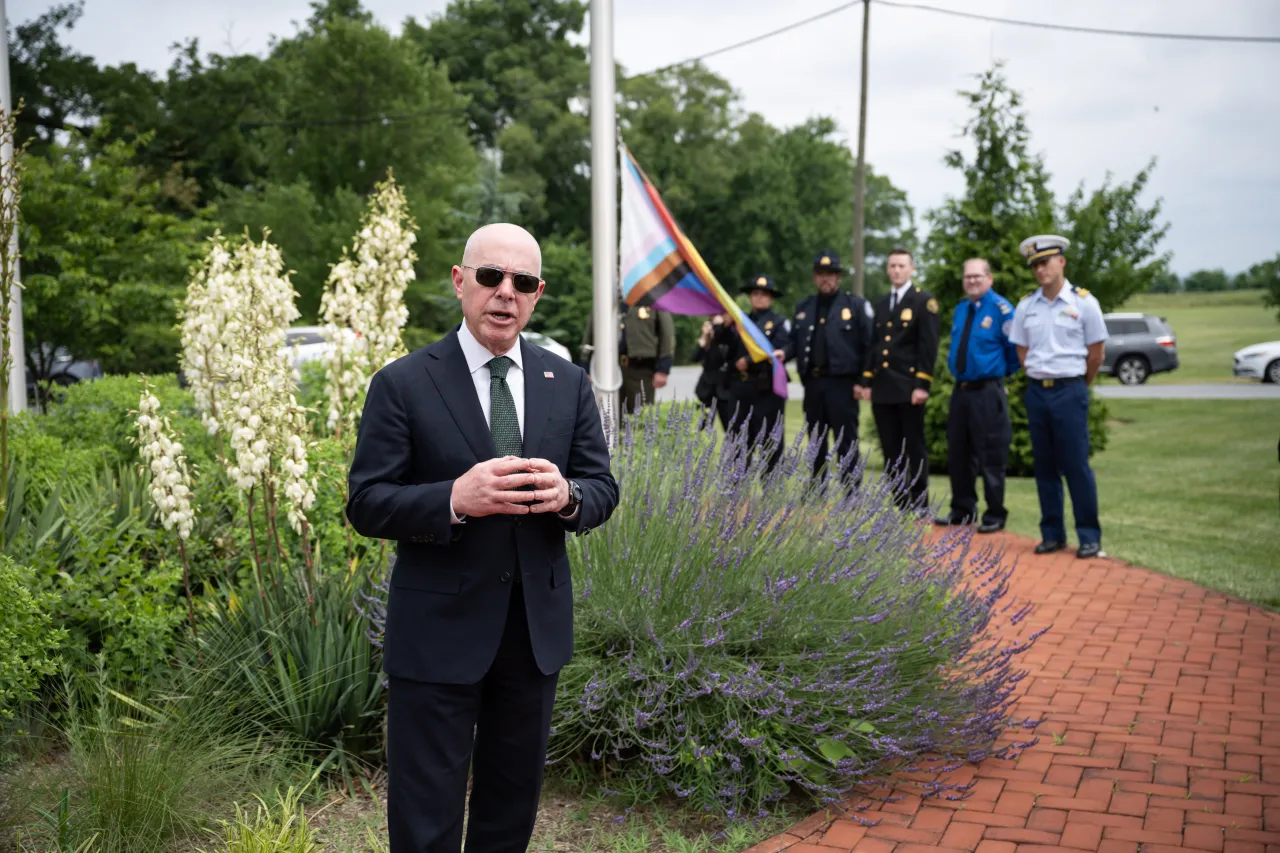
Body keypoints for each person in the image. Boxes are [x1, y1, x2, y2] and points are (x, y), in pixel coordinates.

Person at [346, 223, 620, 853]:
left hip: (531, 635)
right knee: (424, 817)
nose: (505, 293)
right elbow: (366, 503)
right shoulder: (404, 383)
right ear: (460, 281)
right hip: (438, 635)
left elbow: (602, 486)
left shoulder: (566, 381)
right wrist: (451, 499)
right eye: (491, 276)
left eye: (522, 282)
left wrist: (569, 497)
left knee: (509, 808)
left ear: (538, 293)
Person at [1009, 234, 1108, 559]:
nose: (1040, 270)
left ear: (1061, 261)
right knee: (1045, 466)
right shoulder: (1026, 305)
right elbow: (1022, 352)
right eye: (1035, 264)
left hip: (1070, 390)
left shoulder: (1083, 303)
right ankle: (1052, 534)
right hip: (1038, 392)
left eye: (1046, 262)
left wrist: (1079, 383)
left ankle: (1089, 536)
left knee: (1076, 465)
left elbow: (1096, 354)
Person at [934, 258, 1019, 533]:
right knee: (958, 452)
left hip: (987, 391)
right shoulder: (962, 309)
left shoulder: (1002, 310)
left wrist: (999, 377)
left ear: (989, 279)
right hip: (962, 391)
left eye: (977, 277)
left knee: (991, 453)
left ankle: (995, 514)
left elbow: (1014, 352)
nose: (971, 281)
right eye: (968, 277)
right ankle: (962, 510)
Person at [856, 247, 940, 514]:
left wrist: (922, 385)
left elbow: (928, 347)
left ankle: (919, 503)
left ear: (912, 269)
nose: (896, 270)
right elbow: (874, 345)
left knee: (913, 446)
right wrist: (866, 380)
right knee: (891, 447)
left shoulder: (923, 301)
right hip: (883, 388)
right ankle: (900, 502)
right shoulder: (881, 303)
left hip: (908, 388)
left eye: (902, 266)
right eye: (892, 266)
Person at [793, 250, 874, 485]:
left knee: (845, 440)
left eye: (830, 274)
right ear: (814, 277)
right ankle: (816, 489)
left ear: (839, 277)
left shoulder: (855, 306)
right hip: (814, 382)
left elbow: (869, 346)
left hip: (843, 384)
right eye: (820, 274)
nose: (825, 279)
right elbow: (794, 343)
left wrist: (864, 381)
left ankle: (850, 494)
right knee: (816, 439)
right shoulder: (804, 307)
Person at [724, 275, 793, 472]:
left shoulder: (779, 323)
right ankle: (735, 493)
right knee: (738, 442)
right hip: (741, 389)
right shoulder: (739, 321)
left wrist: (750, 360)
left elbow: (782, 348)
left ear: (771, 298)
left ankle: (770, 494)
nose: (759, 298)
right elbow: (727, 350)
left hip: (766, 390)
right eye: (755, 294)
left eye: (764, 294)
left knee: (770, 442)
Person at [580, 301, 675, 417]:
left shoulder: (651, 298)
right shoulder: (607, 295)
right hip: (609, 369)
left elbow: (667, 334)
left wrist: (663, 368)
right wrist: (585, 365)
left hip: (641, 370)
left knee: (641, 416)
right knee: (609, 416)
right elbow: (591, 332)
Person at [692, 313, 734, 431]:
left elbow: (728, 352)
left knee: (731, 428)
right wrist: (705, 336)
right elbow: (695, 357)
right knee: (701, 428)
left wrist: (723, 327)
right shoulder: (707, 339)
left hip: (725, 388)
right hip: (706, 389)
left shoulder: (730, 334)